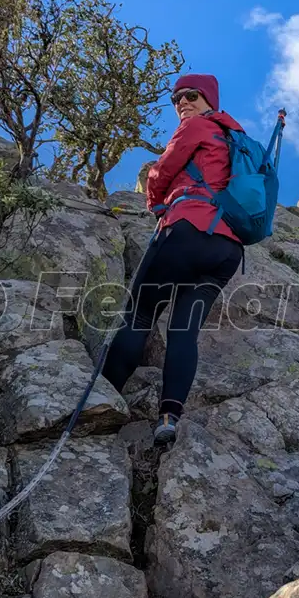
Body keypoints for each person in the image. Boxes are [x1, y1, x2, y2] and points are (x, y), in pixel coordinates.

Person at [101, 73, 245, 445]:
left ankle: (103, 397)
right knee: (184, 331)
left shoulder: (197, 126)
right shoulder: (237, 139)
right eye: (176, 98)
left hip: (187, 232)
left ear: (209, 99)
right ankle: (168, 416)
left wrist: (154, 205)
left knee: (141, 315)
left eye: (191, 95)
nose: (182, 102)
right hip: (226, 251)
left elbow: (162, 170)